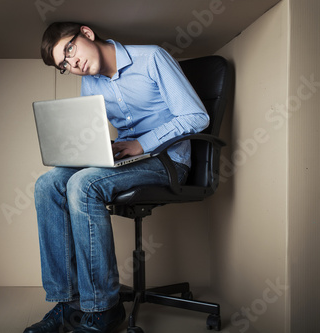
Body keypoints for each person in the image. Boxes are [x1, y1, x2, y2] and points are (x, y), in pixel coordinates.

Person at [24, 22, 210, 333]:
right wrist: (97, 149)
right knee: (48, 185)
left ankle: (103, 308)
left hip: (168, 160)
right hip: (126, 158)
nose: (73, 64)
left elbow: (196, 116)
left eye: (69, 50)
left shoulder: (151, 58)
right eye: (64, 65)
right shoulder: (90, 82)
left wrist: (142, 143)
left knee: (84, 185)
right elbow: (102, 131)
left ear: (86, 33)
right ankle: (69, 304)